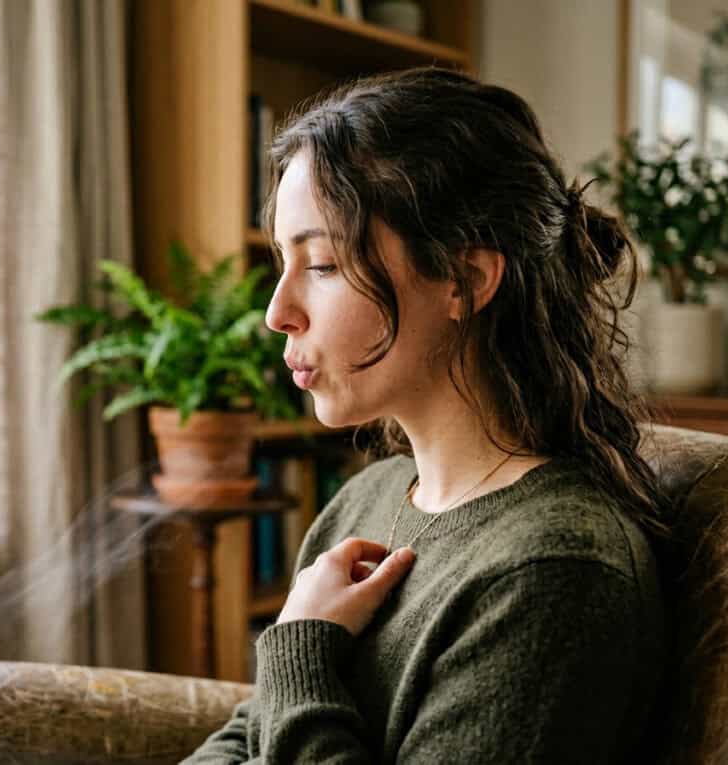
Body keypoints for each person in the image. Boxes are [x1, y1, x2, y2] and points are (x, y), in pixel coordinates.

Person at [180, 66, 670, 763]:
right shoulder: (366, 499)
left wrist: (298, 650)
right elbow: (247, 736)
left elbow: (279, 712)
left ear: (465, 281)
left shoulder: (553, 570)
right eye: (280, 263)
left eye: (320, 265)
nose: (275, 312)